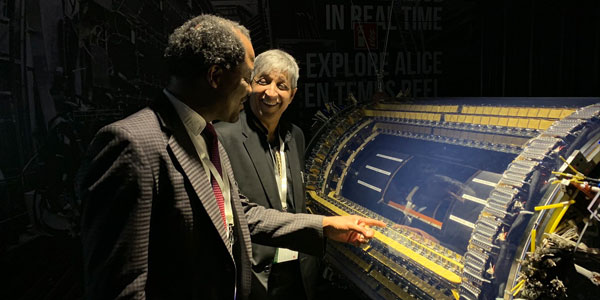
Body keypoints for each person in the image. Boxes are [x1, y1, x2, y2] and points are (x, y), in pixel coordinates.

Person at [77, 14, 385, 300]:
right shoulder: (131, 144)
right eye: (250, 77)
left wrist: (324, 226)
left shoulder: (206, 137)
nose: (253, 89)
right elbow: (119, 287)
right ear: (216, 77)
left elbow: (242, 215)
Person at [216, 50, 315, 300]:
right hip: (255, 275)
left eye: (281, 85)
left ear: (292, 95)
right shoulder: (222, 136)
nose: (271, 92)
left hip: (299, 271)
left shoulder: (297, 136)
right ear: (249, 84)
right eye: (263, 81)